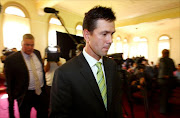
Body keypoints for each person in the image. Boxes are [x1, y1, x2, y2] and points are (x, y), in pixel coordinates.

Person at [50, 6, 123, 118]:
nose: (110, 40)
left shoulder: (112, 65)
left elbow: (116, 105)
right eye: (104, 34)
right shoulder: (65, 73)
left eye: (112, 34)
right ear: (87, 35)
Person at [4, 34, 49, 118]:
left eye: (32, 45)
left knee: (44, 114)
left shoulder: (37, 53)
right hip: (25, 95)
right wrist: (11, 107)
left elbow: (41, 72)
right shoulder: (12, 59)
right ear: (21, 44)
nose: (30, 48)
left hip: (40, 93)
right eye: (27, 45)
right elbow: (10, 83)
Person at [158, 49, 176, 114]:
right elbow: (174, 69)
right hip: (169, 81)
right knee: (166, 95)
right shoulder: (171, 60)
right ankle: (166, 109)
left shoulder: (162, 60)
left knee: (163, 96)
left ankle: (163, 110)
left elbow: (161, 70)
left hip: (163, 80)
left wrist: (164, 75)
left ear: (163, 54)